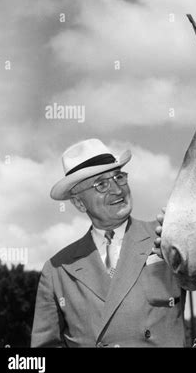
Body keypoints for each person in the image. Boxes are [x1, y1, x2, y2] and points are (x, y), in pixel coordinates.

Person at [31, 138, 185, 347]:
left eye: (119, 177)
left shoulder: (164, 236)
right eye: (102, 184)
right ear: (79, 202)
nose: (118, 190)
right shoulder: (57, 269)